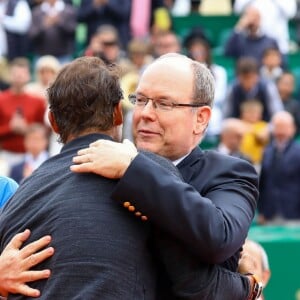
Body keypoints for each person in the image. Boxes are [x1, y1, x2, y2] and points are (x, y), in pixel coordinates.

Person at [1, 55, 261, 299]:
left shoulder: (230, 173)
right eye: (140, 99)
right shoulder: (85, 172)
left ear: (201, 119)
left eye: (163, 103)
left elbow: (218, 237)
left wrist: (134, 170)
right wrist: (247, 287)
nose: (145, 113)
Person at [258, 111, 300, 224]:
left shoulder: (298, 151)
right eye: (278, 126)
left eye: (284, 127)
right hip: (269, 213)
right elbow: (263, 183)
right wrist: (261, 210)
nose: (281, 130)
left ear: (293, 129)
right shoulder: (267, 151)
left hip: (294, 213)